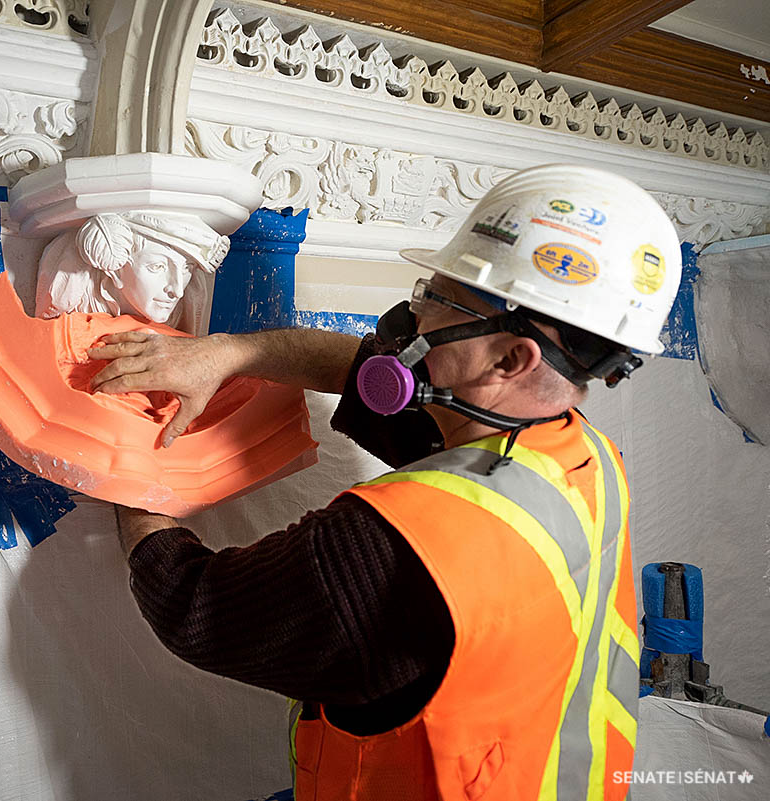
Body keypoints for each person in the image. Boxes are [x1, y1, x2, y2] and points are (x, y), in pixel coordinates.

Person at [85, 164, 683, 800]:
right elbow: (365, 373)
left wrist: (131, 463)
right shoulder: (581, 455)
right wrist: (231, 353)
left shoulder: (398, 541)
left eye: (438, 302)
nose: (412, 317)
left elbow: (197, 605)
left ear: (510, 359)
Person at [34, 210, 230, 335]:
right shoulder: (71, 284)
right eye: (158, 267)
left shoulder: (189, 299)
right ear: (116, 271)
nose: (177, 291)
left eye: (187, 268)